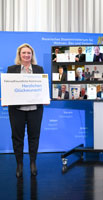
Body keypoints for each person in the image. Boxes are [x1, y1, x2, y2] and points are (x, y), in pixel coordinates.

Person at [7, 43, 45, 177]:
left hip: (35, 109)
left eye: (29, 53)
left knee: (34, 137)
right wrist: (6, 97)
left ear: (32, 55)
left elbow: (42, 88)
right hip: (17, 110)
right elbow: (9, 88)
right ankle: (19, 164)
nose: (26, 55)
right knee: (17, 137)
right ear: (19, 55)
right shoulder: (11, 69)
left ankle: (33, 162)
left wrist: (45, 96)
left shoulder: (39, 69)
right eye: (24, 53)